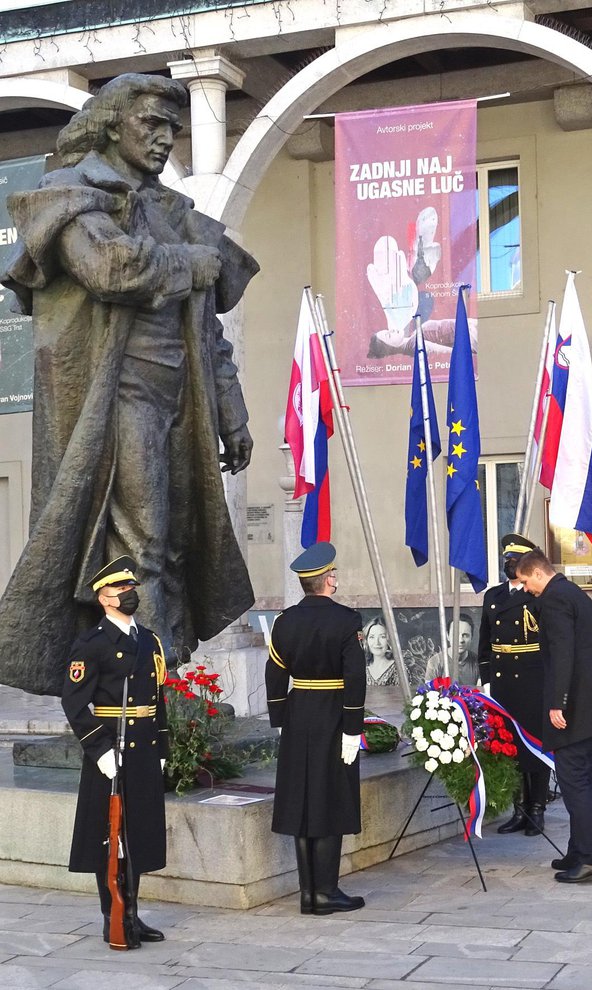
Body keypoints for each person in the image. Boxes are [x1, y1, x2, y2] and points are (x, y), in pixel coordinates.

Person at [0, 72, 259, 696]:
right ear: (114, 123)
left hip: (182, 396)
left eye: (173, 128)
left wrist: (233, 413)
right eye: (152, 125)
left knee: (172, 540)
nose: (166, 139)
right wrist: (190, 265)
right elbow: (110, 268)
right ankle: (147, 689)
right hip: (116, 395)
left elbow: (209, 335)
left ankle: (163, 677)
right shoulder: (69, 194)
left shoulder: (175, 214)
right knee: (143, 541)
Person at [61, 556, 168, 946]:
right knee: (108, 836)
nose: (129, 594)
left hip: (142, 750)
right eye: (120, 590)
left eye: (130, 588)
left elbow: (159, 698)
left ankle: (133, 914)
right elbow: (74, 704)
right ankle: (113, 917)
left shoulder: (149, 639)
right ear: (104, 599)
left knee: (136, 833)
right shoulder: (90, 644)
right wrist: (100, 749)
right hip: (110, 749)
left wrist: (162, 745)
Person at [265, 542, 367, 916]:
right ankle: (325, 890)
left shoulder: (284, 621)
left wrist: (279, 719)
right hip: (333, 713)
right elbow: (355, 676)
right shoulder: (347, 620)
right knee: (330, 799)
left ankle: (308, 892)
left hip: (297, 713)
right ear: (327, 579)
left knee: (302, 802)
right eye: (333, 573)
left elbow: (274, 673)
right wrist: (353, 728)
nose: (335, 578)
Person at [516, 548, 592, 882]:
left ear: (537, 573)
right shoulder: (572, 592)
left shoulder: (554, 598)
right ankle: (580, 849)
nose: (524, 589)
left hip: (575, 707)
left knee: (573, 781)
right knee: (581, 780)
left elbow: (563, 653)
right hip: (591, 704)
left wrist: (557, 702)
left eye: (524, 581)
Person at [477, 534, 550, 837]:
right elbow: (484, 644)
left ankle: (537, 809)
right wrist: (486, 680)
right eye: (506, 559)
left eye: (515, 560)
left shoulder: (537, 596)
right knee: (510, 746)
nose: (509, 563)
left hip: (532, 679)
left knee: (535, 746)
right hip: (503, 681)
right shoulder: (493, 596)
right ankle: (518, 808)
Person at [363, 615, 397, 685]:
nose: (377, 642)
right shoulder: (362, 668)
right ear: (366, 640)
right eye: (372, 637)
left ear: (389, 640)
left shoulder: (398, 670)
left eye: (382, 637)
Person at [449, 613, 479, 686]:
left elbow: (480, 694)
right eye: (455, 634)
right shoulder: (435, 663)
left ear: (471, 637)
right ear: (447, 636)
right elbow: (429, 695)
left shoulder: (478, 663)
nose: (461, 640)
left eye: (465, 635)